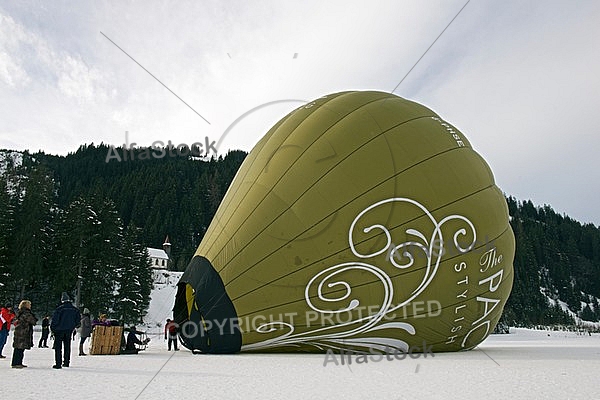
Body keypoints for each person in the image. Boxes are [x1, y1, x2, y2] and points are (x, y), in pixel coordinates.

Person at [50, 292, 81, 369]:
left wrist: (53, 328)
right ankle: (66, 362)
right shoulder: (75, 310)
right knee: (67, 346)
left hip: (59, 330)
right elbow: (78, 322)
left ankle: (58, 363)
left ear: (62, 300)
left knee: (58, 347)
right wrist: (73, 326)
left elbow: (55, 320)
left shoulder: (59, 309)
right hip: (69, 330)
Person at [11, 300, 37, 369]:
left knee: (17, 348)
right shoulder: (26, 313)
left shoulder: (19, 312)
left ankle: (15, 362)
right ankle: (17, 363)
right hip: (23, 332)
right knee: (20, 348)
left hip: (18, 332)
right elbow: (33, 321)